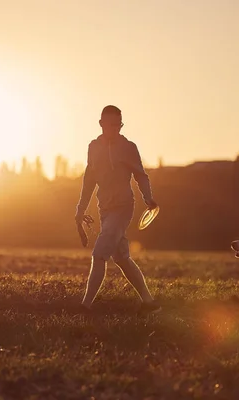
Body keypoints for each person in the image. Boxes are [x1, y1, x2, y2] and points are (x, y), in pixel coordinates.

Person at [75, 105, 161, 315]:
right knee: (122, 258)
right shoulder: (93, 147)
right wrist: (80, 210)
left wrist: (148, 197)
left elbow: (141, 175)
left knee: (99, 253)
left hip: (123, 208)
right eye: (110, 125)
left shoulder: (129, 147)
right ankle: (149, 303)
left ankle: (85, 307)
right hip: (104, 207)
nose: (115, 129)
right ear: (101, 124)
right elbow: (89, 180)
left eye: (118, 125)